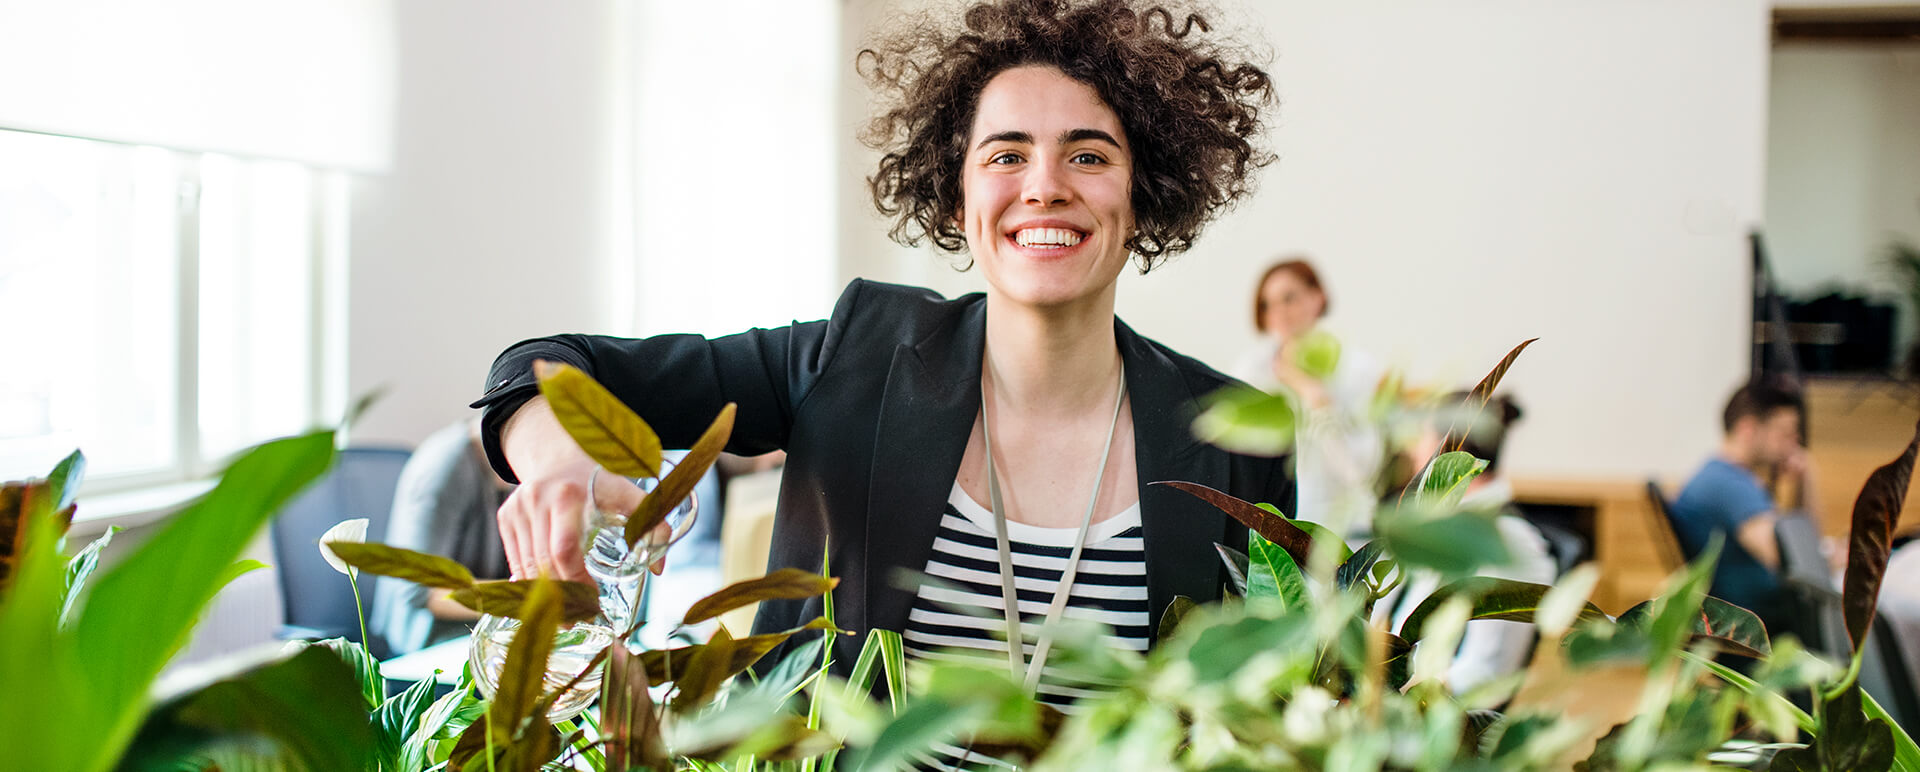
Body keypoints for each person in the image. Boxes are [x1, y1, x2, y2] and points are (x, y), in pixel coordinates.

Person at [473, 0, 1292, 723]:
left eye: (1088, 154)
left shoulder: (1237, 438)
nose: (1043, 186)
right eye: (1006, 155)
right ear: (955, 196)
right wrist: (562, 468)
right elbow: (541, 367)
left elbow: (1281, 708)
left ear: (1142, 196)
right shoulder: (856, 355)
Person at [1385, 392, 1557, 694]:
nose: (1412, 450)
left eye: (1422, 437)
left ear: (1455, 451)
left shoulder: (1508, 543)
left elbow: (1484, 675)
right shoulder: (1443, 526)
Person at [1230, 257, 1384, 535]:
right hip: (1276, 530)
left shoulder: (1356, 369)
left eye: (1289, 298)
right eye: (1267, 304)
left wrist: (1316, 397)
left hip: (1348, 527)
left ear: (1318, 297)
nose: (1280, 312)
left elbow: (1359, 472)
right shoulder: (1252, 371)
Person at [1668, 381, 1814, 635]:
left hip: (1745, 615)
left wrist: (1801, 481)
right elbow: (1789, 557)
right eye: (1785, 433)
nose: (1794, 444)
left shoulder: (1721, 475)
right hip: (1758, 623)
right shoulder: (1731, 486)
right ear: (1747, 429)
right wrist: (1812, 473)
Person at [369, 417, 512, 655]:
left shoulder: (509, 471)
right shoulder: (446, 464)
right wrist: (526, 598)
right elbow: (421, 591)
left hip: (481, 630)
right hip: (426, 642)